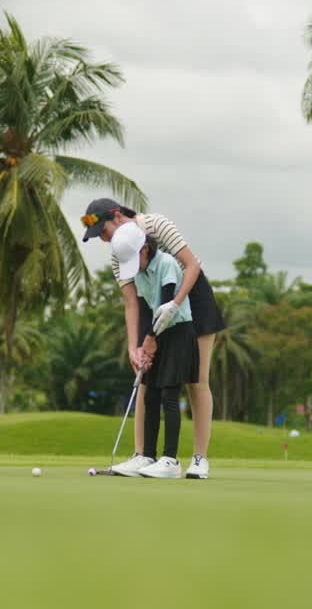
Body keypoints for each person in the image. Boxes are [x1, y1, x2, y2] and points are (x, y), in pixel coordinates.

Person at [81, 199, 225, 479]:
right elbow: (132, 302)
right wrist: (133, 345)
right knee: (146, 379)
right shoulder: (118, 253)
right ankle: (142, 455)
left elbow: (191, 265)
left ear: (118, 216)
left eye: (104, 231)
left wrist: (175, 304)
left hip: (191, 295)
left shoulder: (157, 225)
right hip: (152, 301)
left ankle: (199, 458)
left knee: (197, 381)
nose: (104, 239)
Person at [111, 223, 199, 478]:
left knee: (170, 395)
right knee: (150, 396)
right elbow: (147, 309)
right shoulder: (140, 273)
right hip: (157, 335)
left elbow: (166, 307)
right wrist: (142, 345)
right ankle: (147, 456)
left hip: (178, 332)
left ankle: (170, 460)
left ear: (145, 249)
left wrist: (150, 338)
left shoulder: (167, 264)